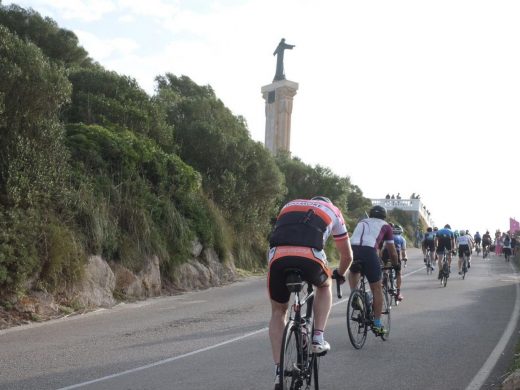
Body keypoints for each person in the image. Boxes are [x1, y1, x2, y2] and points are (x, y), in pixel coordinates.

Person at [267, 196, 353, 389]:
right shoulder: (333, 210)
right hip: (310, 256)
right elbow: (347, 255)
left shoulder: (290, 204)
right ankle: (317, 338)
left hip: (278, 256)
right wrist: (340, 274)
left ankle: (279, 371)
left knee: (278, 311)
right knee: (324, 285)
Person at [339, 205, 398, 335]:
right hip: (369, 252)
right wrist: (396, 265)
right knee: (376, 288)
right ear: (384, 216)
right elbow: (392, 251)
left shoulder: (362, 222)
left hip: (352, 249)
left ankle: (355, 294)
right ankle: (377, 324)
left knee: (354, 271)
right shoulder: (386, 226)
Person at [382, 224, 407, 301]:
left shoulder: (388, 237)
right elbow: (403, 252)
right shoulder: (402, 239)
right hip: (396, 252)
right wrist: (404, 258)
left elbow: (383, 247)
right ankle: (398, 292)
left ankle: (385, 275)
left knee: (385, 266)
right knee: (398, 273)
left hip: (386, 252)